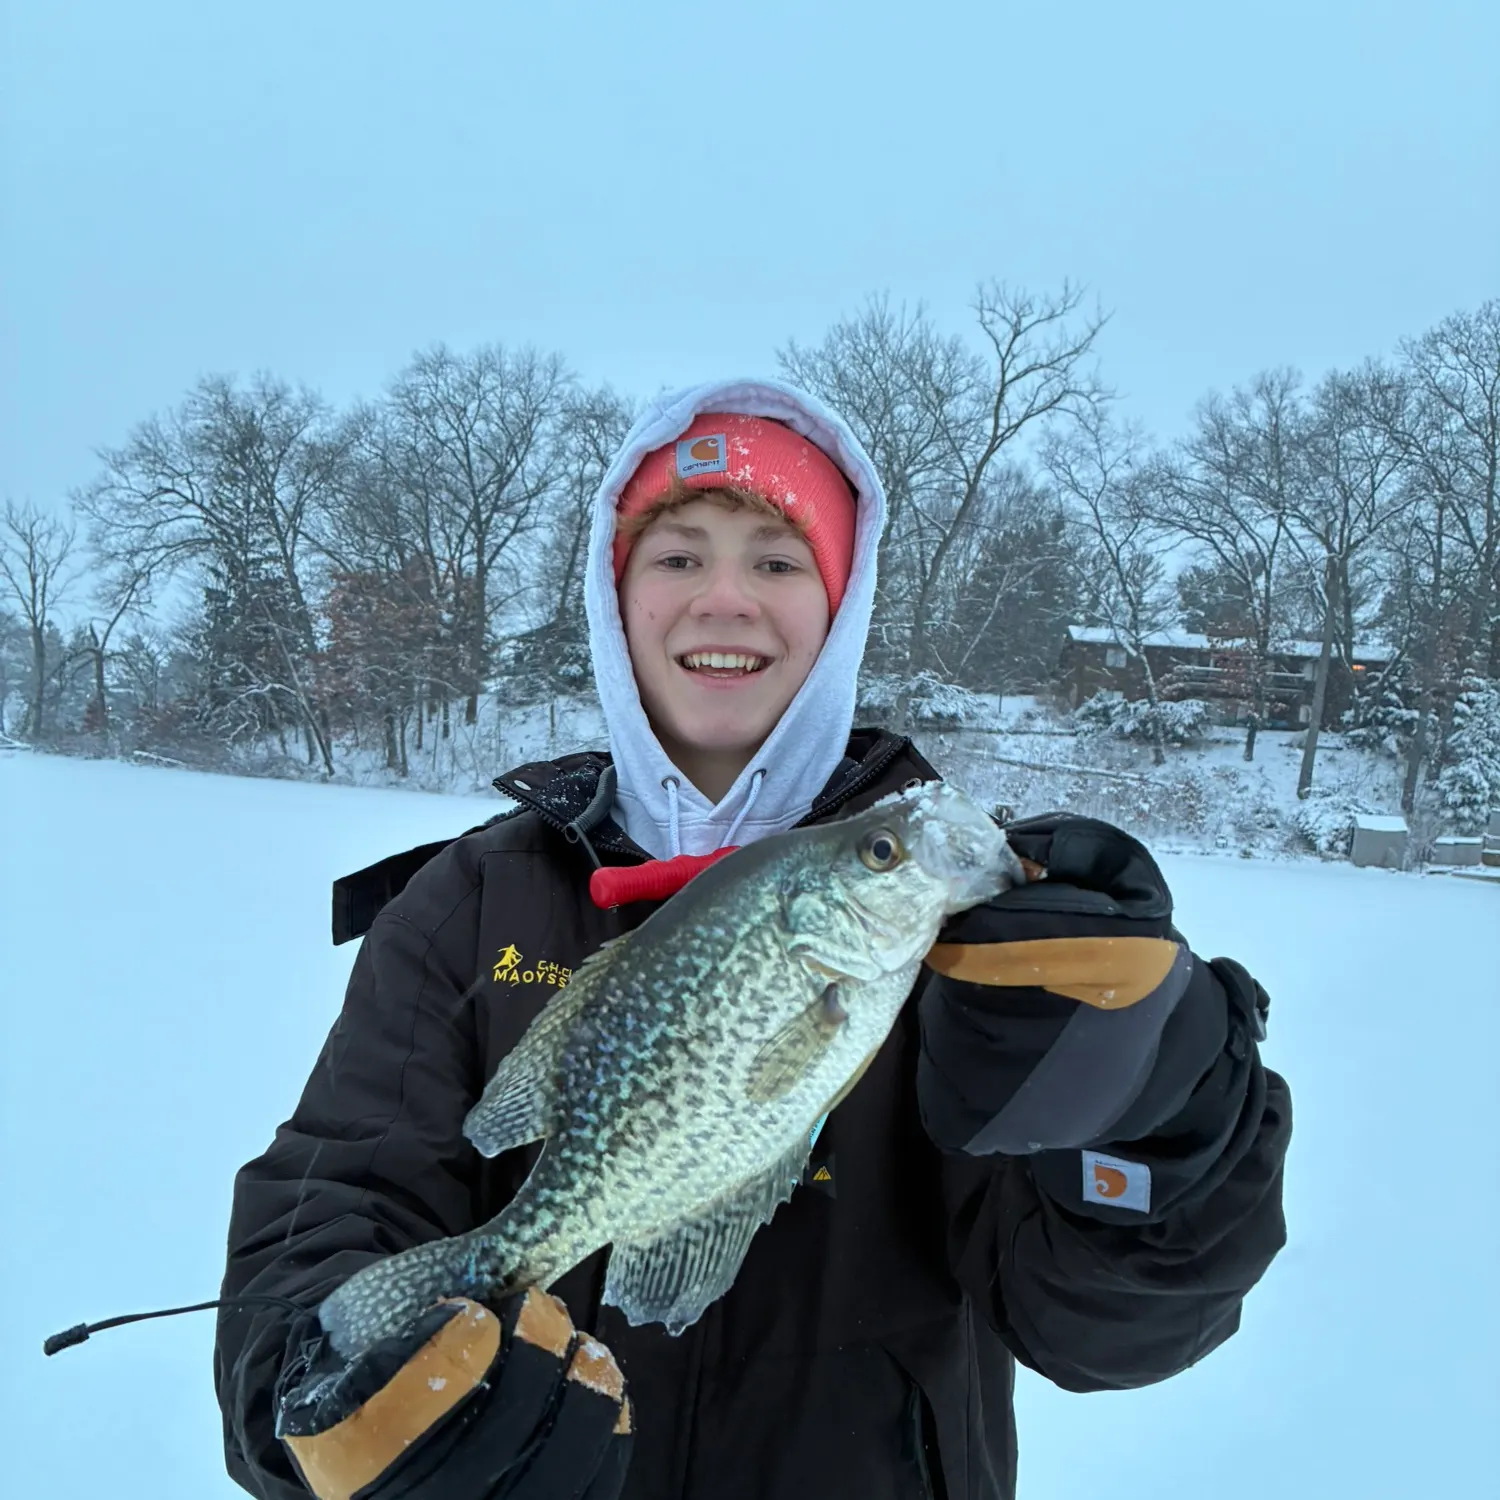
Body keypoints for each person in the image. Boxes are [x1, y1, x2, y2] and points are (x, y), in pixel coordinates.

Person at [215, 379, 1292, 1500]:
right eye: (677, 557)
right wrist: (331, 1400)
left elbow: (1101, 1333)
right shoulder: (465, 901)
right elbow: (333, 1201)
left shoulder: (989, 936)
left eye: (778, 562)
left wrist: (1165, 1119)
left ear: (840, 609)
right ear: (613, 593)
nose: (724, 600)